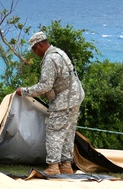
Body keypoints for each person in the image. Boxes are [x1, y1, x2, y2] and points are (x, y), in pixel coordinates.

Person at [15, 31, 85, 176]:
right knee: (68, 132)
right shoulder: (59, 52)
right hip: (75, 96)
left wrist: (25, 91)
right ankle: (66, 165)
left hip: (64, 100)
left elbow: (45, 86)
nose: (34, 53)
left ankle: (53, 166)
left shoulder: (50, 60)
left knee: (55, 131)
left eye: (34, 49)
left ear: (40, 45)